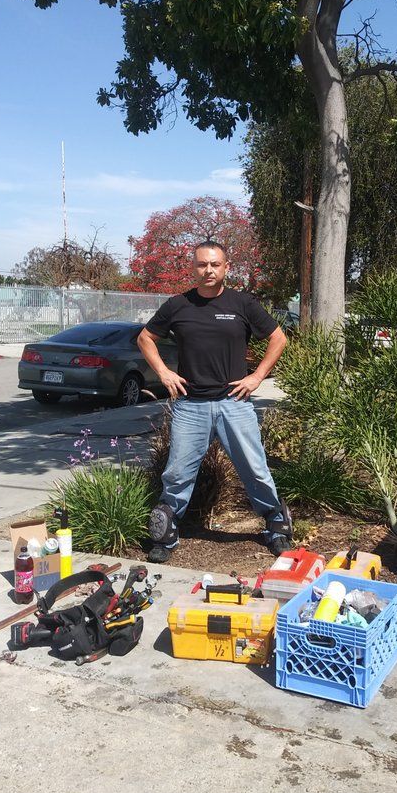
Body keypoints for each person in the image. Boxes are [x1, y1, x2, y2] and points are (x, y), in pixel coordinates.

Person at [137, 240, 293, 563]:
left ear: (226, 267)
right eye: (202, 265)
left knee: (255, 468)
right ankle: (166, 533)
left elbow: (279, 338)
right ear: (193, 268)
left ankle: (275, 524)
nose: (208, 270)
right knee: (178, 472)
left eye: (215, 264)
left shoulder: (243, 304)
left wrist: (257, 377)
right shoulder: (178, 305)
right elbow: (145, 338)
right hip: (190, 405)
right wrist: (164, 373)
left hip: (234, 404)